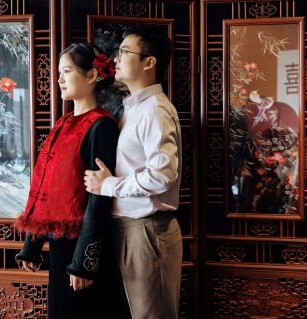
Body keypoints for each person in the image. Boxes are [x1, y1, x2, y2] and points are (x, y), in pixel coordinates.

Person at [13, 43, 122, 319]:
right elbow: (47, 189)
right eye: (59, 72)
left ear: (91, 76)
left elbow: (99, 198)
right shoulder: (63, 124)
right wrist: (32, 245)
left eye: (67, 71)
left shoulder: (101, 126)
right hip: (60, 245)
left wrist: (84, 263)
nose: (59, 79)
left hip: (81, 247)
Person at [84, 25, 183, 319]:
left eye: (124, 52)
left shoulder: (154, 110)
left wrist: (110, 185)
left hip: (148, 230)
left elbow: (163, 174)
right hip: (132, 228)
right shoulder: (134, 109)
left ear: (149, 62)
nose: (116, 58)